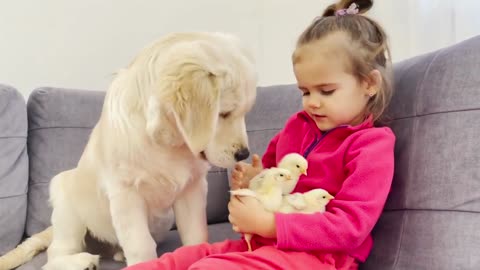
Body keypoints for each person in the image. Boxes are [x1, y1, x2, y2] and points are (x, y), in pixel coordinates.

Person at [124, 0, 395, 269]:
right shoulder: (296, 127)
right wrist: (253, 183)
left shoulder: (372, 146)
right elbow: (269, 183)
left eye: (326, 91)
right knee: (180, 260)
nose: (312, 102)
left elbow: (350, 228)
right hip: (263, 246)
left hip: (318, 258)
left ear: (369, 84)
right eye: (305, 91)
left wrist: (270, 224)